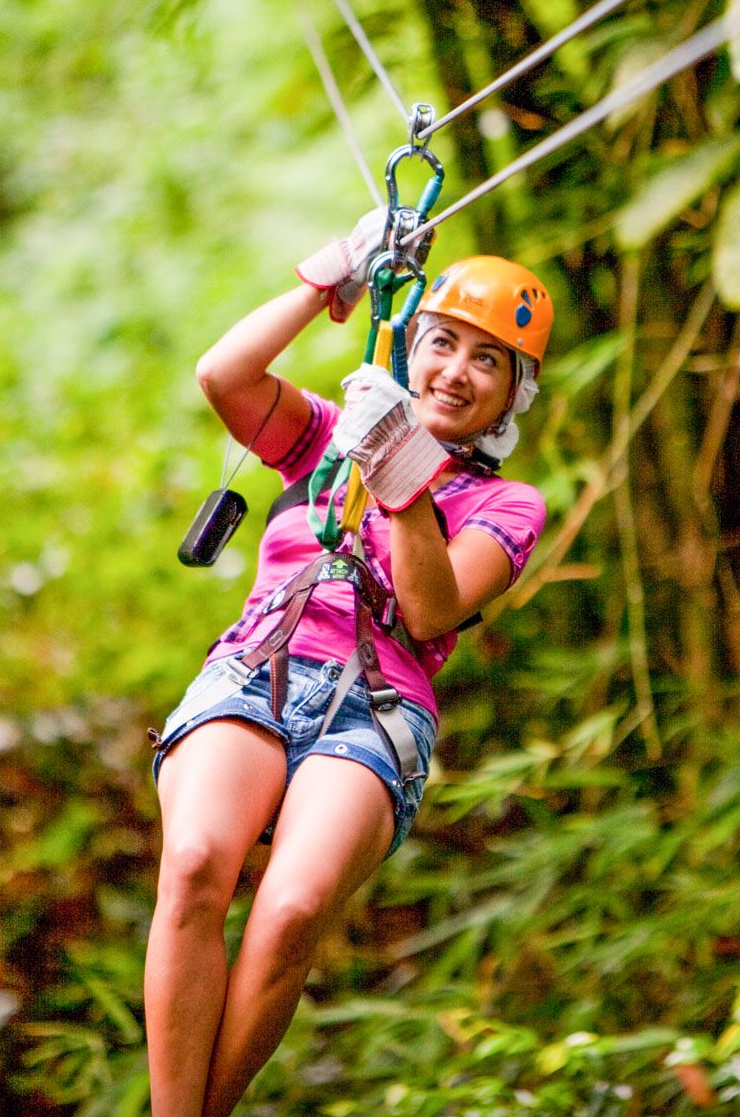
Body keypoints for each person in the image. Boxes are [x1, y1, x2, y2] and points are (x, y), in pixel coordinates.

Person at [143, 208, 553, 1117]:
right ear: (410, 343)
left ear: (514, 392)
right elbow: (224, 374)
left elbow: (432, 607)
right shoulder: (326, 434)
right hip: (263, 664)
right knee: (198, 859)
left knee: (290, 912)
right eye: (442, 342)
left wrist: (401, 467)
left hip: (376, 709)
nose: (455, 371)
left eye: (487, 360)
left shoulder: (509, 503)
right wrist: (333, 274)